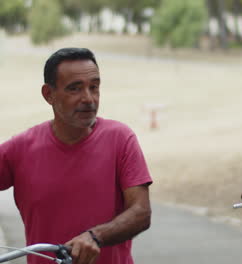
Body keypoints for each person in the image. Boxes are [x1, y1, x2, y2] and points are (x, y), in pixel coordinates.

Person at [0, 48, 153, 264]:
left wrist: (95, 236)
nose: (88, 98)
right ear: (48, 94)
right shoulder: (19, 149)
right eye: (75, 89)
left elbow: (141, 212)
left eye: (94, 87)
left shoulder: (120, 139)